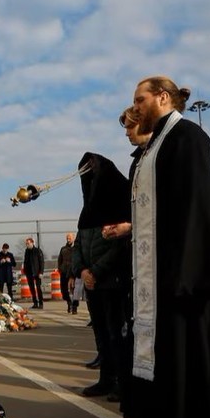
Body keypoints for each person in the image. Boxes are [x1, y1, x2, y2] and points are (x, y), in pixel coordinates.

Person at [104, 76, 210, 418]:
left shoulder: (188, 138)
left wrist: (187, 266)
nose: (135, 106)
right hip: (158, 265)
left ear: (162, 97)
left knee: (187, 347)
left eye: (140, 99)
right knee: (161, 344)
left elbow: (197, 207)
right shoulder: (155, 146)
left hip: (184, 268)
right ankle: (162, 416)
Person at [73, 153, 131, 399]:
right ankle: (105, 378)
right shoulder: (87, 212)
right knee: (100, 332)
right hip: (93, 283)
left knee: (116, 332)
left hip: (111, 281)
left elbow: (118, 248)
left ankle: (121, 380)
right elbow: (78, 245)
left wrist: (95, 271)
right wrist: (82, 270)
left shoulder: (119, 206)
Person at [57, 233, 78, 314]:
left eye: (69, 238)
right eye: (67, 238)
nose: (68, 239)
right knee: (64, 290)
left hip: (73, 272)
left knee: (74, 290)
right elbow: (60, 259)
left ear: (73, 238)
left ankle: (74, 306)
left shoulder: (76, 248)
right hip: (64, 271)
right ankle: (69, 302)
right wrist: (60, 268)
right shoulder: (63, 249)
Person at [23, 238, 44, 309]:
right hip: (29, 272)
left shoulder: (37, 251)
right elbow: (25, 261)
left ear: (32, 243)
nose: (27, 245)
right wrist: (25, 270)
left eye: (28, 243)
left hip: (37, 272)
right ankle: (35, 302)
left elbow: (41, 262)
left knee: (38, 288)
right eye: (26, 244)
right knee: (32, 288)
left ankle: (41, 303)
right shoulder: (27, 251)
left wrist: (41, 272)